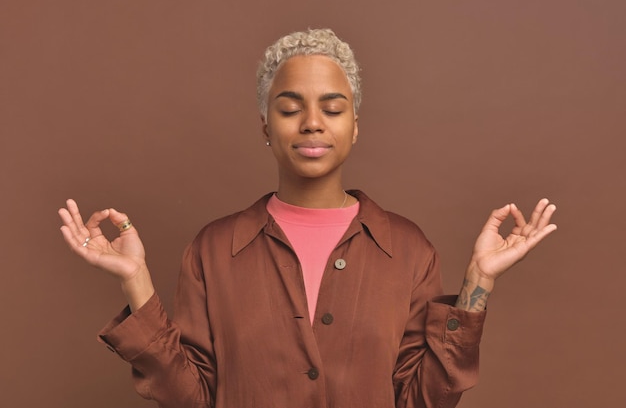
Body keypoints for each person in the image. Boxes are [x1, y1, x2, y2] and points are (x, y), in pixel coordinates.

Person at [58, 29, 557, 408]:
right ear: (265, 127)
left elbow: (421, 399)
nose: (312, 122)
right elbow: (191, 395)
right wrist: (135, 280)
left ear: (355, 126)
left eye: (332, 108)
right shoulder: (212, 249)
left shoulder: (408, 249)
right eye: (290, 107)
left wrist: (480, 282)